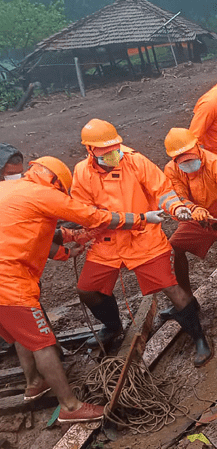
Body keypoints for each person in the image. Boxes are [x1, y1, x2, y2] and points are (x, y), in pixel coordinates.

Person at [0, 156, 159, 423]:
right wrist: (140, 219)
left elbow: (36, 232)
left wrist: (72, 241)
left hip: (7, 282)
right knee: (43, 344)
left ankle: (35, 383)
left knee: (20, 334)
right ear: (55, 182)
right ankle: (70, 407)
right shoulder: (43, 193)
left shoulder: (9, 191)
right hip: (9, 284)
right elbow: (92, 216)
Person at [71, 119, 212, 367]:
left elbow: (163, 191)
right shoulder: (82, 172)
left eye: (115, 148)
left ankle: (199, 337)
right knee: (86, 289)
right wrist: (82, 235)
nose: (113, 155)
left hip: (143, 238)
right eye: (105, 152)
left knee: (171, 288)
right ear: (90, 151)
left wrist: (176, 207)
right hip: (108, 241)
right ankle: (113, 326)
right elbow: (84, 212)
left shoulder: (136, 161)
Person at [160, 128, 217, 319]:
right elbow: (179, 195)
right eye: (181, 158)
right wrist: (193, 209)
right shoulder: (171, 170)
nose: (187, 161)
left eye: (190, 155)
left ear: (198, 147)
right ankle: (186, 299)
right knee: (173, 248)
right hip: (199, 219)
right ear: (174, 158)